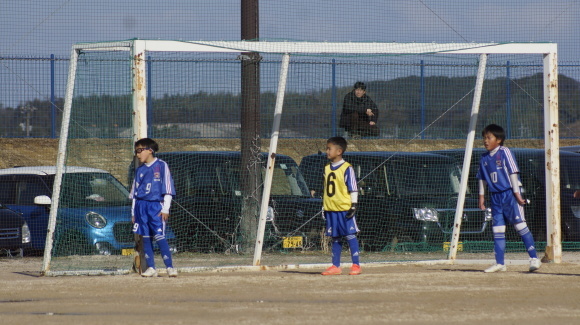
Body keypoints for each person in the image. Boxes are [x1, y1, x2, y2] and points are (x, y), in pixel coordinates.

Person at [476, 124, 541, 273]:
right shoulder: (484, 157)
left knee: (520, 226)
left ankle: (534, 259)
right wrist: (481, 196)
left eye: (489, 137)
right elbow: (482, 178)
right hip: (495, 197)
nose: (485, 141)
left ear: (498, 140)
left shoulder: (505, 152)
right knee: (498, 230)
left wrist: (517, 193)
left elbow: (513, 172)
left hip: (509, 194)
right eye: (484, 138)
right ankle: (500, 263)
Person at [130, 138, 178, 277]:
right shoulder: (139, 170)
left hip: (156, 206)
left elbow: (168, 189)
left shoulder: (161, 165)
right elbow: (135, 193)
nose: (137, 154)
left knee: (159, 235)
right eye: (136, 151)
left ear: (150, 150)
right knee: (145, 237)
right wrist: (134, 212)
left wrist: (165, 208)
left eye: (140, 150)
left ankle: (170, 267)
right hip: (141, 206)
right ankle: (151, 268)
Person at [321, 136, 362, 275]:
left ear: (339, 151)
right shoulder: (326, 168)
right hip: (330, 209)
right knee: (335, 237)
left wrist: (353, 205)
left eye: (329, 148)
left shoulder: (347, 168)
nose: (326, 151)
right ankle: (335, 266)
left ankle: (356, 265)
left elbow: (353, 187)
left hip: (344, 209)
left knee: (350, 235)